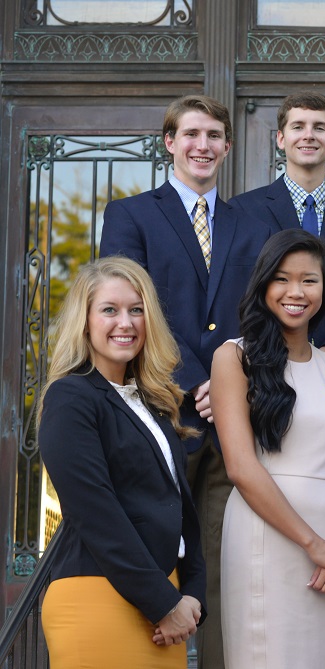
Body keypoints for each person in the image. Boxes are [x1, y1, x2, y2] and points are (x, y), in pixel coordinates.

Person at [101, 94, 272, 668]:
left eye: (215, 136)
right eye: (191, 134)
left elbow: (263, 309)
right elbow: (130, 302)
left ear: (227, 146)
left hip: (231, 423)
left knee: (225, 562)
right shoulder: (131, 215)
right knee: (154, 547)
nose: (204, 145)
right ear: (170, 142)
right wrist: (198, 378)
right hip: (159, 408)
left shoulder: (253, 223)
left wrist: (231, 377)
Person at [230, 92, 325, 666]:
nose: (309, 135)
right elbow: (236, 293)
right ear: (280, 138)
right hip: (264, 379)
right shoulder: (244, 210)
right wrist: (277, 358)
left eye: (320, 127)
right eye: (297, 126)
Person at [38, 257, 207, 669]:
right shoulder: (71, 397)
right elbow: (96, 512)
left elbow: (180, 508)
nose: (125, 322)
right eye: (109, 310)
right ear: (85, 321)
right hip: (97, 595)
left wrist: (193, 596)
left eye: (136, 310)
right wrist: (164, 602)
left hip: (162, 600)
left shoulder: (154, 403)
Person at [211, 229, 325, 667]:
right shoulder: (234, 358)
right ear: (263, 286)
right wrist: (312, 544)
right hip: (267, 532)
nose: (295, 292)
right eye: (282, 279)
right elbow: (241, 467)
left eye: (309, 280)